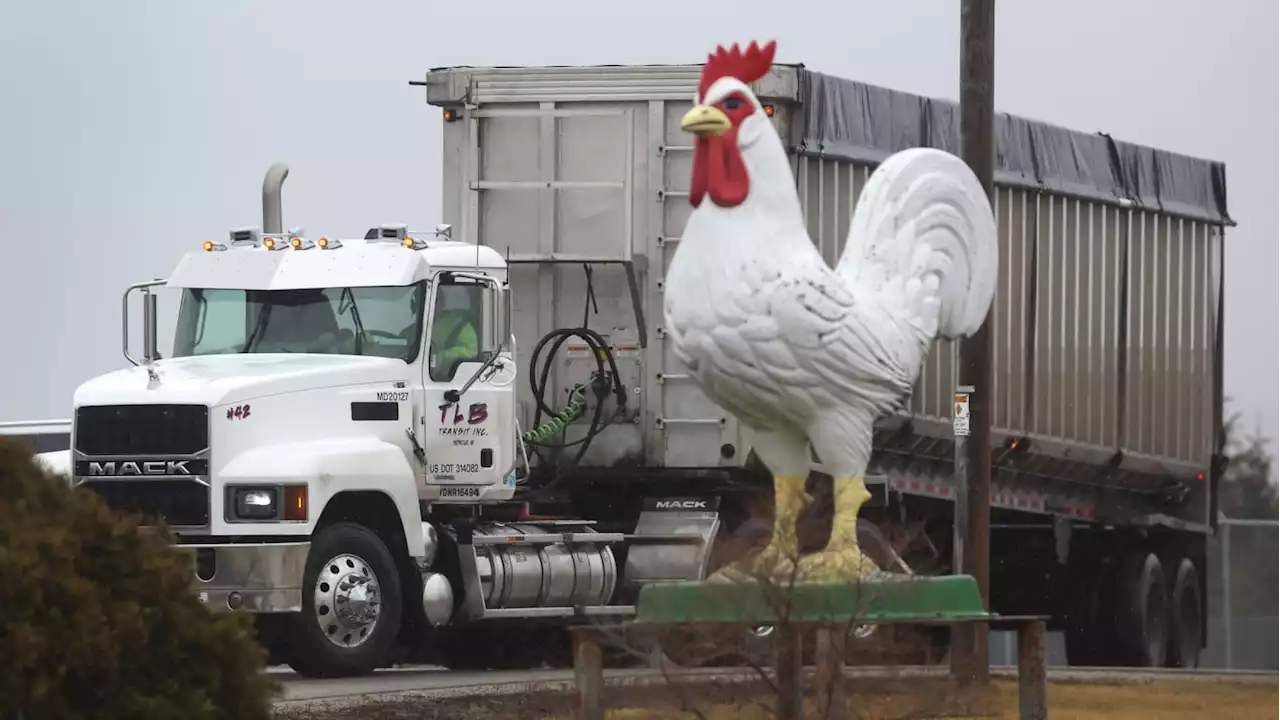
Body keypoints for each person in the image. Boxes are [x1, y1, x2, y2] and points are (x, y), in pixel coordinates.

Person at [430, 307, 478, 381]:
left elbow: (472, 351)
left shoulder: (456, 321)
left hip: (455, 379)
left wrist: (443, 356)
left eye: (437, 301)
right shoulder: (426, 321)